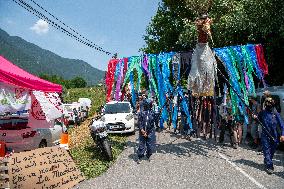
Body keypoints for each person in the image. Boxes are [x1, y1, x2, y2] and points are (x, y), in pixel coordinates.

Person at [256, 97, 284, 174]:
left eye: (270, 102)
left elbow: (282, 125)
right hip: (265, 134)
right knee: (266, 150)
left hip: (274, 135)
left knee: (272, 150)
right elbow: (258, 120)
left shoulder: (276, 113)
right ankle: (269, 166)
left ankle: (267, 160)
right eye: (267, 102)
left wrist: (282, 135)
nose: (268, 104)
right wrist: (255, 118)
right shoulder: (262, 112)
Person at [137, 99, 156, 164]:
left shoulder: (152, 112)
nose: (151, 105)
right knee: (141, 145)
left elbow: (154, 122)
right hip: (142, 131)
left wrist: (159, 113)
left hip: (150, 131)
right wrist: (142, 131)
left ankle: (148, 155)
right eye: (150, 104)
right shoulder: (141, 113)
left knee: (150, 145)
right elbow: (139, 123)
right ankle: (140, 156)